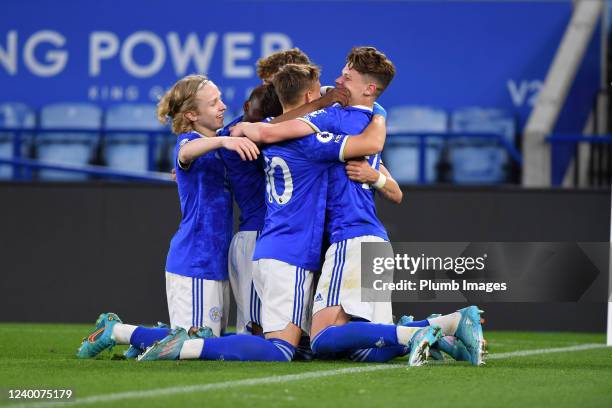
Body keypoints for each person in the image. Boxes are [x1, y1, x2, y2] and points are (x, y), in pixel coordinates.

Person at [137, 64, 416, 363]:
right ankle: (138, 336)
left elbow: (263, 127)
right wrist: (377, 114)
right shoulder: (310, 139)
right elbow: (374, 150)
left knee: (285, 341)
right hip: (284, 244)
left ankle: (418, 331)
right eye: (214, 102)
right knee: (277, 343)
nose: (223, 107)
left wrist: (374, 174)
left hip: (283, 243)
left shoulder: (256, 133)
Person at [231, 47, 486, 366]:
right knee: (363, 350)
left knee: (323, 340)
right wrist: (376, 174)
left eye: (347, 76)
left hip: (350, 240)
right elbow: (395, 192)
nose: (338, 81)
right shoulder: (367, 118)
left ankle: (439, 325)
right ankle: (443, 341)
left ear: (368, 88)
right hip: (374, 240)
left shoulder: (336, 117)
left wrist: (239, 130)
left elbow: (273, 130)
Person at [76, 75, 259, 358]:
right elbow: (186, 152)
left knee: (209, 340)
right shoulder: (191, 141)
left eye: (221, 98)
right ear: (192, 114)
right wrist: (223, 142)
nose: (222, 106)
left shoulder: (215, 140)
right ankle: (121, 332)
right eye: (213, 103)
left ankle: (133, 336)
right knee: (195, 343)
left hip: (214, 259)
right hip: (195, 259)